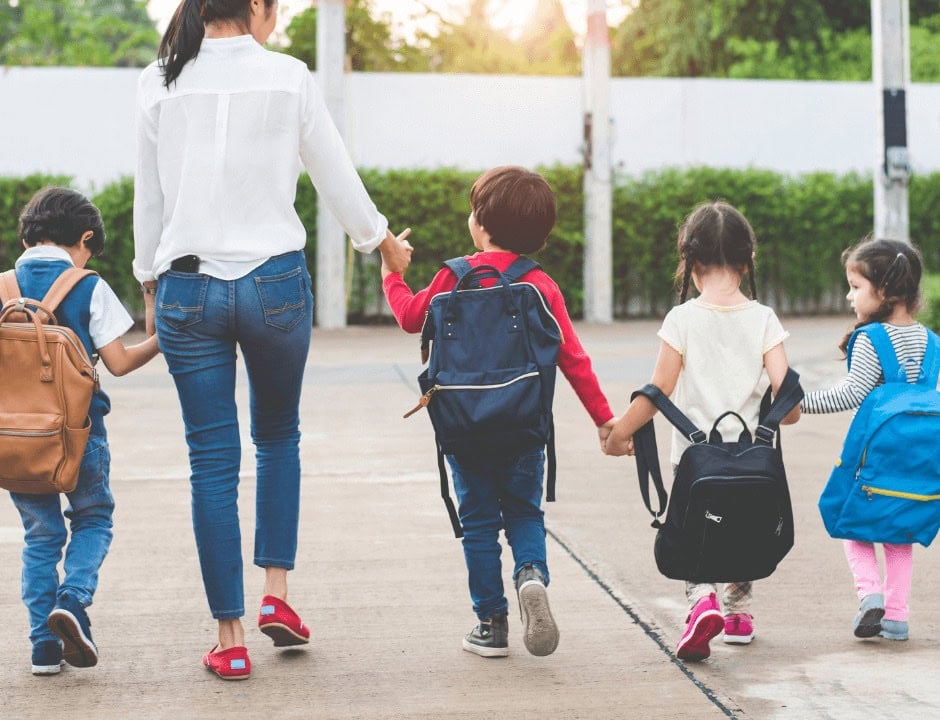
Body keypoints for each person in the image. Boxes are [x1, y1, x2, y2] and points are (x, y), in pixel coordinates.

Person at [132, 0, 412, 680]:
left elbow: (150, 196)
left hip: (187, 287)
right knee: (279, 436)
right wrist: (381, 243)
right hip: (275, 285)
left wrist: (147, 282)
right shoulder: (289, 76)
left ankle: (228, 640)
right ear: (257, 6)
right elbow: (335, 174)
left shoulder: (159, 79)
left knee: (211, 461)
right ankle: (276, 596)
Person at [382, 165, 614, 658]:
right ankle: (530, 575)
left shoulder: (452, 276)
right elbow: (573, 358)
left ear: (481, 223)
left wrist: (391, 274)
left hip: (463, 427)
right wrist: (604, 419)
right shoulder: (540, 284)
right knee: (525, 512)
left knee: (479, 524)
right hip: (524, 425)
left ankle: (491, 625)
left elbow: (409, 317)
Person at [604, 200, 799, 661]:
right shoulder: (764, 318)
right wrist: (775, 414)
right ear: (748, 261)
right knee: (744, 525)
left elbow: (658, 391)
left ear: (691, 264)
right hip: (752, 458)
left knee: (698, 530)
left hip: (695, 460)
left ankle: (702, 602)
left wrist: (618, 434)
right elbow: (788, 405)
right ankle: (739, 615)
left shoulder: (683, 319)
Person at [8, 186, 161, 676]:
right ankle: (72, 600)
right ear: (86, 239)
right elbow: (119, 363)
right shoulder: (88, 286)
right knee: (93, 519)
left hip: (16, 441)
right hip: (79, 433)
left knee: (40, 537)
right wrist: (161, 336)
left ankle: (43, 649)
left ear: (27, 237)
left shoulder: (3, 287)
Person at [801, 237, 926, 643]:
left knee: (850, 522)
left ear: (885, 290)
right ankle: (897, 618)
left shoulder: (873, 338)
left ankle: (870, 594)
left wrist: (797, 404)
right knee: (900, 535)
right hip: (917, 462)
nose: (849, 296)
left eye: (856, 286)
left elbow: (850, 394)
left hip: (873, 456)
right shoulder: (932, 341)